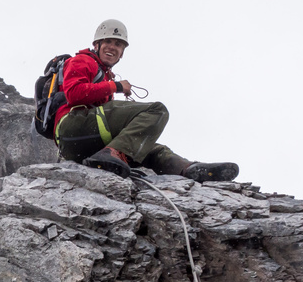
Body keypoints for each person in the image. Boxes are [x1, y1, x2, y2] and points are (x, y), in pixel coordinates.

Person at [54, 19, 239, 183]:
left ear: (122, 53)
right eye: (108, 41)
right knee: (156, 111)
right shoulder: (83, 61)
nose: (112, 47)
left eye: (118, 44)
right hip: (72, 126)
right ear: (97, 44)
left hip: (84, 142)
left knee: (148, 145)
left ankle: (187, 169)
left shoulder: (103, 76)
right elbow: (74, 94)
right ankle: (112, 153)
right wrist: (116, 86)